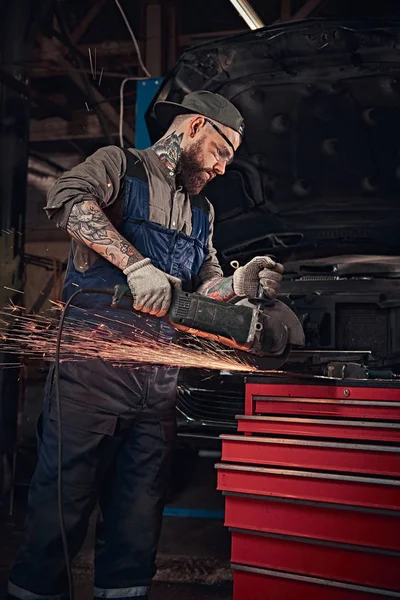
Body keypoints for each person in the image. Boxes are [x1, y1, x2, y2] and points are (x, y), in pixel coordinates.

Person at [8, 91, 283, 600]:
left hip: (156, 384)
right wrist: (136, 266)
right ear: (196, 126)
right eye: (223, 151)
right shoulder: (121, 166)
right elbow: (66, 199)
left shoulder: (202, 210)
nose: (224, 168)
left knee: (138, 518)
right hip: (90, 376)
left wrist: (237, 285)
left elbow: (205, 287)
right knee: (59, 511)